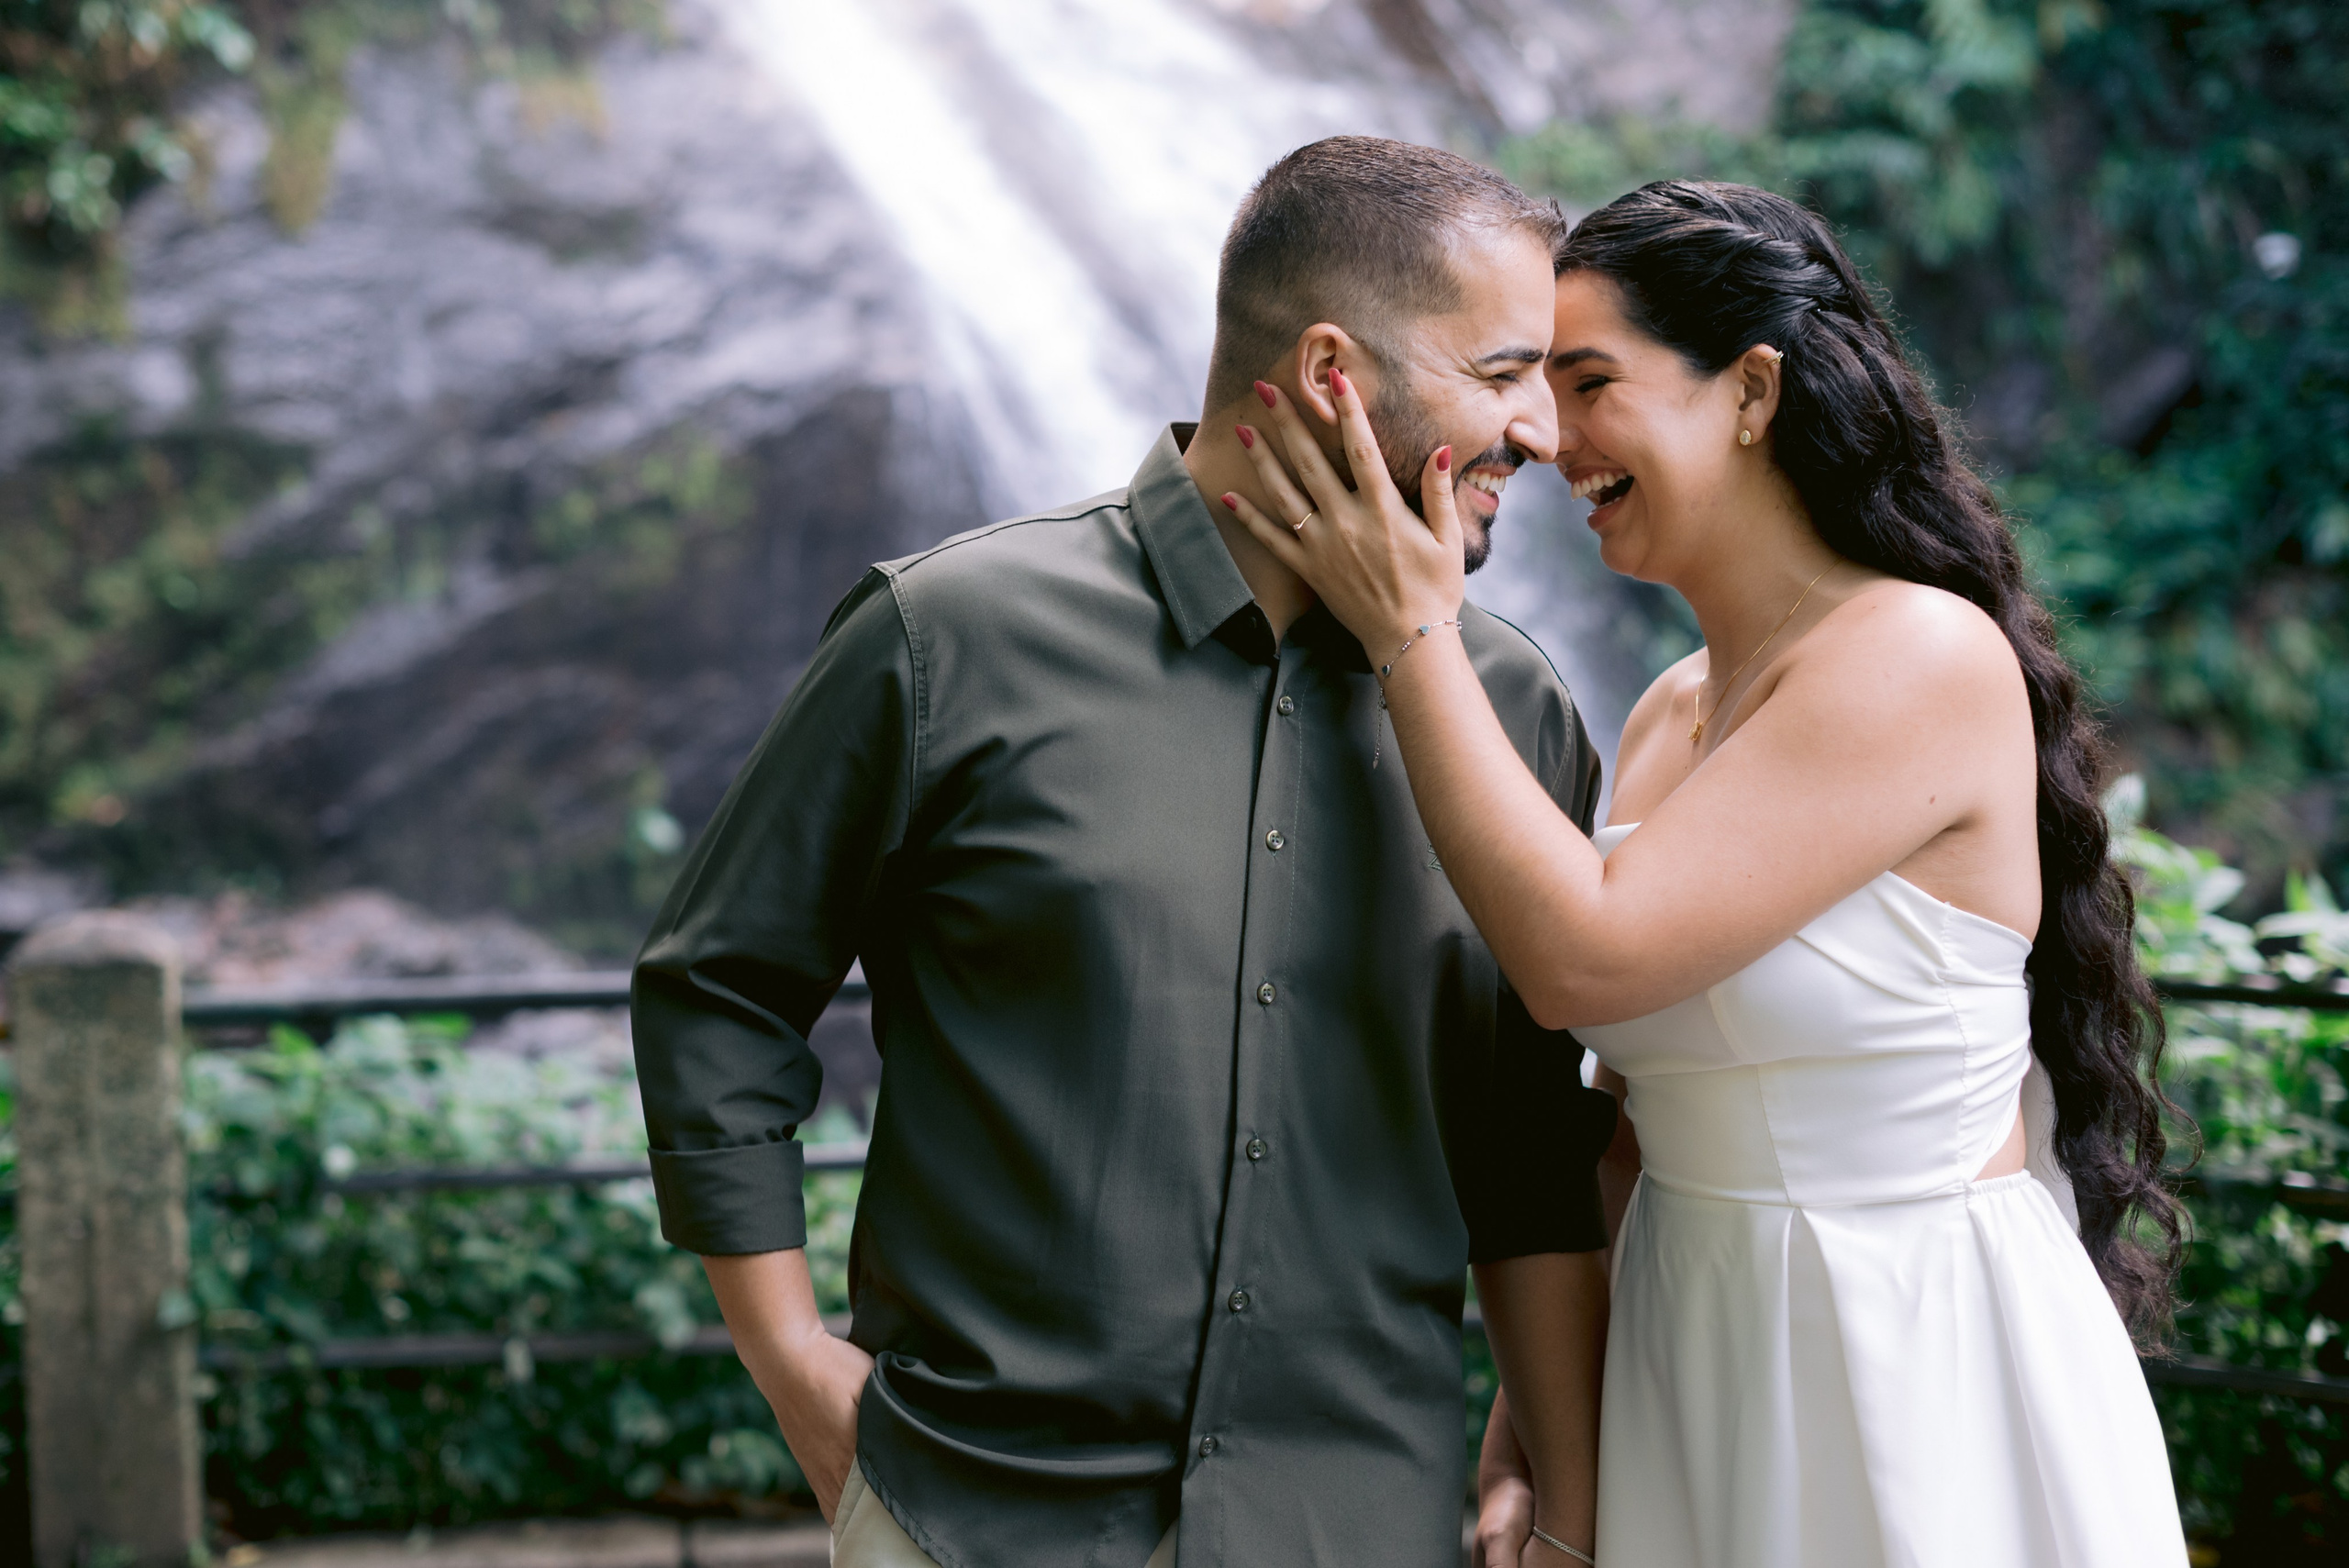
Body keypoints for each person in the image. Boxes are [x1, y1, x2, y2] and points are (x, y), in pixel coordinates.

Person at [629, 137, 1621, 1568]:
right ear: (1337, 373)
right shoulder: (943, 637)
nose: (1544, 431)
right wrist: (791, 1356)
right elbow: (720, 986)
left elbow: (1530, 1157)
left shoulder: (1518, 710)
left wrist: (1576, 1524)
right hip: (972, 1519)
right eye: (1504, 371)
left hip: (1359, 1528)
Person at [1219, 178, 2190, 1567]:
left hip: (1905, 1364)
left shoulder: (1916, 655)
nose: (1549, 440)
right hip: (1692, 1351)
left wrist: (1412, 628)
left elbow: (1583, 962)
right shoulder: (1672, 710)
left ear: (1749, 391)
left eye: (1593, 381)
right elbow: (1621, 1131)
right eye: (1538, 387)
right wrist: (1540, 1441)